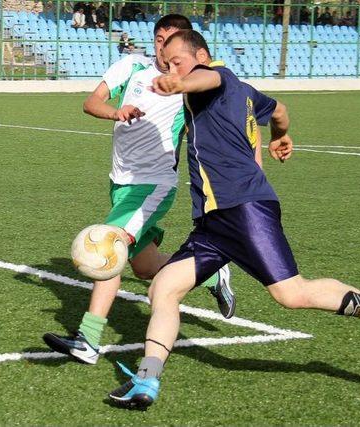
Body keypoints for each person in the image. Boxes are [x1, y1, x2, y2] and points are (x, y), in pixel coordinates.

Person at [107, 29, 360, 409]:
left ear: (202, 56)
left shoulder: (219, 78)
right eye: (168, 63)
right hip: (212, 221)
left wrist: (179, 81)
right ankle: (147, 382)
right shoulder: (245, 91)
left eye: (178, 60)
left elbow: (205, 77)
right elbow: (280, 110)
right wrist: (280, 136)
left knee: (291, 294)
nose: (171, 66)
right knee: (163, 288)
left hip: (244, 208)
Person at [42, 16, 236, 366]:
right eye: (159, 39)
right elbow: (91, 102)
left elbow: (219, 112)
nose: (163, 47)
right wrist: (117, 112)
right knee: (146, 268)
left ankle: (88, 338)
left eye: (171, 41)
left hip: (153, 184)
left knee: (109, 247)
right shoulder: (131, 66)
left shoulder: (189, 86)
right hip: (119, 182)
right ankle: (210, 272)